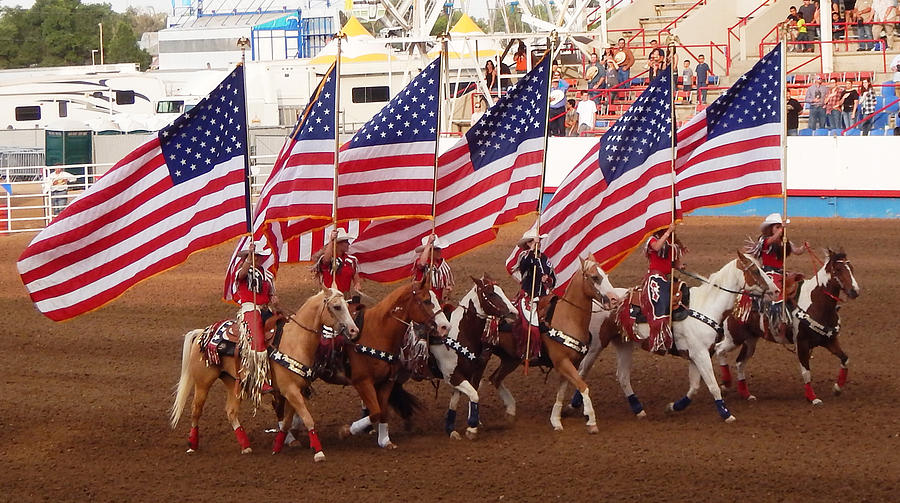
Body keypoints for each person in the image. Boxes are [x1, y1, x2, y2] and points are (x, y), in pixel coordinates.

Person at [745, 213, 805, 338]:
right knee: (776, 293)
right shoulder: (765, 240)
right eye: (776, 227)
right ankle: (777, 321)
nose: (779, 229)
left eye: (780, 227)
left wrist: (804, 248)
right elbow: (772, 240)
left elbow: (797, 251)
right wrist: (782, 230)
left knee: (799, 281)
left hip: (781, 272)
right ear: (770, 228)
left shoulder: (785, 241)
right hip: (768, 273)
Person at [233, 243, 279, 396]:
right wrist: (248, 259)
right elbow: (241, 275)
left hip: (266, 309)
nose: (258, 259)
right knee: (257, 340)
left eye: (259, 256)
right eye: (255, 256)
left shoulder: (268, 275)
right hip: (250, 309)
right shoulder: (242, 271)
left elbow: (271, 292)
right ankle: (259, 378)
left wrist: (274, 298)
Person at [640, 223, 686, 354]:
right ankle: (658, 339)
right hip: (655, 278)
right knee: (661, 305)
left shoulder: (672, 244)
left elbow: (675, 263)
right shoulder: (652, 239)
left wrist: (680, 266)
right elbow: (657, 247)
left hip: (668, 278)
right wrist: (668, 233)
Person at [514, 229, 556, 360]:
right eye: (532, 241)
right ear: (527, 244)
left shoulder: (545, 259)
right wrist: (532, 251)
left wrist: (548, 280)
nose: (537, 243)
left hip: (544, 296)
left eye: (537, 241)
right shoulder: (524, 256)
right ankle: (530, 349)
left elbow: (553, 278)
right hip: (529, 296)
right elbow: (523, 267)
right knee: (531, 325)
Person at [312, 228, 361, 296]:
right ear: (337, 244)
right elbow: (326, 260)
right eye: (346, 241)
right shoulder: (327, 260)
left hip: (345, 297)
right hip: (329, 297)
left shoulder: (352, 260)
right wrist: (331, 241)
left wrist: (357, 284)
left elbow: (356, 277)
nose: (348, 244)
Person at [413, 234, 454, 304]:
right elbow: (422, 263)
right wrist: (429, 244)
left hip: (439, 303)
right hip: (424, 304)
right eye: (436, 249)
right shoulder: (421, 264)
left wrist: (448, 289)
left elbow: (446, 283)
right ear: (428, 251)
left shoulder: (442, 264)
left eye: (439, 249)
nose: (439, 251)